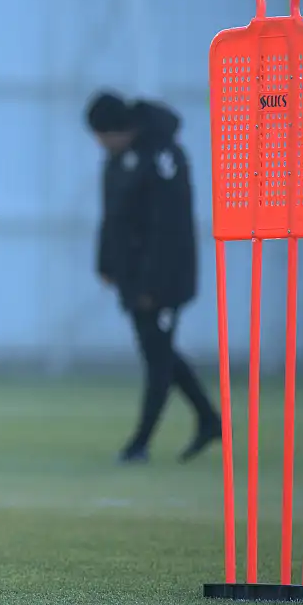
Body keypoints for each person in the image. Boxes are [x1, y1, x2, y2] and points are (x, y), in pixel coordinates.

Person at [84, 90, 221, 464]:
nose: (99, 144)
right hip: (133, 279)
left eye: (101, 135)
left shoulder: (163, 157)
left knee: (157, 358)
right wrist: (106, 264)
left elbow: (168, 229)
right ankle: (210, 420)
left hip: (163, 281)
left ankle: (140, 443)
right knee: (158, 351)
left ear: (118, 129)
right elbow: (112, 217)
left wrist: (153, 286)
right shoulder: (119, 159)